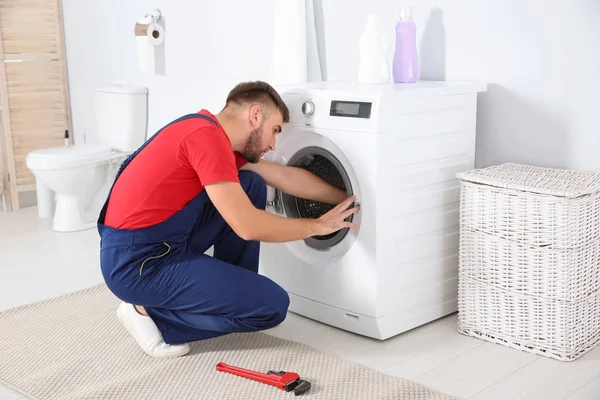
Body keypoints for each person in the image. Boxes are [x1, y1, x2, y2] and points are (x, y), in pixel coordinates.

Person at [97, 81, 360, 358]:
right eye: (275, 131)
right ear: (255, 115)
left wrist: (350, 195)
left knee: (250, 184)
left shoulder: (206, 131)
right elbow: (248, 227)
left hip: (160, 242)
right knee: (271, 307)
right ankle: (149, 315)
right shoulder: (206, 140)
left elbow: (284, 177)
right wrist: (318, 226)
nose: (272, 145)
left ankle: (229, 292)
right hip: (137, 263)